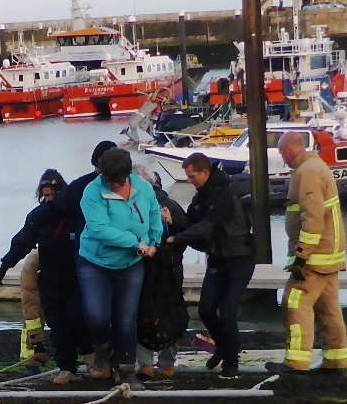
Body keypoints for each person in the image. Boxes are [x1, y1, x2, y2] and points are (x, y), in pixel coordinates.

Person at [265, 131, 347, 376]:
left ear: (291, 149)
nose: (283, 158)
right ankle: (336, 360)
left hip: (314, 259)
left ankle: (296, 363)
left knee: (295, 304)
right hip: (329, 257)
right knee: (328, 309)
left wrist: (302, 255)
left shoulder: (307, 172)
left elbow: (312, 218)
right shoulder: (317, 167)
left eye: (282, 153)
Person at [165, 153, 255, 379]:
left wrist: (178, 239)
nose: (190, 180)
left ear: (205, 173)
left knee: (227, 311)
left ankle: (231, 363)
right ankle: (223, 347)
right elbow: (191, 223)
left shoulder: (224, 194)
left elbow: (207, 226)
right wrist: (173, 223)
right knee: (206, 309)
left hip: (240, 259)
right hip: (217, 259)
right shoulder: (200, 199)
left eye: (192, 176)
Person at [77, 148, 163, 381]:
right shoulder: (92, 193)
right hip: (95, 262)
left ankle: (126, 371)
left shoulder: (143, 188)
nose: (114, 184)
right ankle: (103, 350)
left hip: (131, 264)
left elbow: (154, 213)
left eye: (118, 180)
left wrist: (154, 240)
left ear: (126, 175)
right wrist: (136, 243)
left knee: (126, 319)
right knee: (97, 316)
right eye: (109, 179)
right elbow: (99, 229)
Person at [0, 170, 86, 384]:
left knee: (79, 319)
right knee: (58, 324)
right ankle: (67, 368)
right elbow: (22, 241)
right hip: (51, 277)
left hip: (77, 276)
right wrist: (5, 265)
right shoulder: (39, 217)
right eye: (45, 196)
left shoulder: (78, 214)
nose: (49, 200)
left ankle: (94, 360)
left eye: (52, 196)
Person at [134, 165, 188, 380]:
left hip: (149, 266)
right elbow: (185, 232)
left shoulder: (141, 205)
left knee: (141, 313)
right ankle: (165, 364)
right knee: (169, 314)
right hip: (168, 267)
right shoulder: (169, 204)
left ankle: (147, 363)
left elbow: (184, 232)